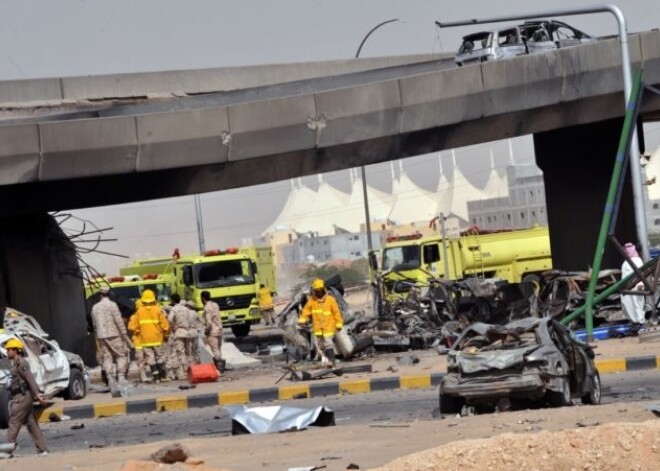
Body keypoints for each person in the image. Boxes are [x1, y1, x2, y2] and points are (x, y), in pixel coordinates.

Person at [4, 338, 49, 456]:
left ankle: (7, 451)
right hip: (22, 396)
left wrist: (38, 396)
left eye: (9, 350)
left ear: (16, 350)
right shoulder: (16, 363)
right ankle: (43, 449)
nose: (7, 352)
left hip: (22, 397)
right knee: (31, 423)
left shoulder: (22, 363)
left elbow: (30, 380)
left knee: (14, 422)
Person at [298, 278, 343, 367]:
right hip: (318, 329)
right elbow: (306, 311)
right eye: (316, 291)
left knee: (328, 343)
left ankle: (331, 362)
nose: (318, 293)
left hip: (328, 327)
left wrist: (339, 324)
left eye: (319, 290)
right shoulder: (312, 301)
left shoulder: (330, 300)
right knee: (321, 346)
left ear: (323, 289)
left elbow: (336, 313)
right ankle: (327, 363)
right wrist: (302, 320)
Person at [91, 287, 131, 385]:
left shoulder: (95, 307)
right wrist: (125, 336)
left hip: (101, 336)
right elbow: (119, 321)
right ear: (109, 294)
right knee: (121, 355)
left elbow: (94, 324)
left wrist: (97, 336)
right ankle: (121, 378)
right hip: (114, 335)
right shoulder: (113, 305)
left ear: (100, 295)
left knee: (107, 357)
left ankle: (110, 379)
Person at [128, 290, 170, 382]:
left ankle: (156, 378)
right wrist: (166, 335)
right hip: (157, 338)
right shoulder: (158, 309)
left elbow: (133, 326)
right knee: (160, 356)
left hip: (144, 340)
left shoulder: (139, 311)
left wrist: (139, 331)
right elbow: (165, 326)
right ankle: (162, 376)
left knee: (150, 358)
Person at [168, 294, 199, 379]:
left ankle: (184, 373)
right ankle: (192, 371)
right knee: (188, 352)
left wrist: (174, 327)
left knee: (180, 353)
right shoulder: (186, 309)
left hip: (179, 332)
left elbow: (169, 320)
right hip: (188, 332)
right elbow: (190, 320)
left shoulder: (174, 309)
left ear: (173, 301)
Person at [621, 242, 646, 328]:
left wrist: (640, 285)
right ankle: (634, 323)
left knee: (637, 305)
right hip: (627, 288)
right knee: (628, 304)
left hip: (636, 286)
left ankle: (641, 323)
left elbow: (640, 275)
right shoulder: (627, 261)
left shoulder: (637, 260)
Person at [201, 290, 224, 372]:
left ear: (203, 298)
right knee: (219, 349)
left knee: (215, 350)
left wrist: (206, 332)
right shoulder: (215, 305)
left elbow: (209, 322)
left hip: (212, 331)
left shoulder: (207, 308)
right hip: (219, 329)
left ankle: (220, 367)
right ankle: (220, 366)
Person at [128, 299, 150, 382]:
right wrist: (138, 329)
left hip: (146, 341)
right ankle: (143, 376)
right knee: (140, 359)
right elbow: (130, 327)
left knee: (147, 359)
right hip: (138, 342)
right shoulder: (134, 317)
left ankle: (145, 374)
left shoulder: (147, 316)